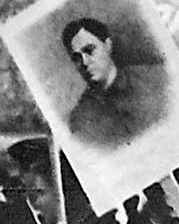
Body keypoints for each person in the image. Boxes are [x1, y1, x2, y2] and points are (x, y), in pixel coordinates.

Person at [61, 17, 160, 148]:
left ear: (107, 45)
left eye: (89, 50)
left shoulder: (155, 79)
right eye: (77, 58)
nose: (84, 62)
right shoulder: (81, 119)